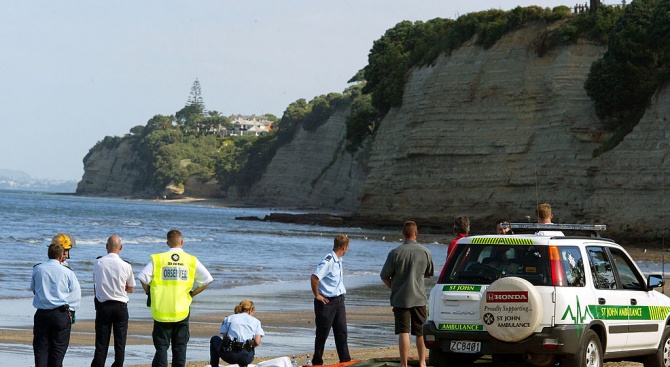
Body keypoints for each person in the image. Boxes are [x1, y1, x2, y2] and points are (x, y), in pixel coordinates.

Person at [137, 229, 213, 367]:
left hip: (161, 309)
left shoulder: (159, 259)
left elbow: (142, 277)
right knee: (180, 347)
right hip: (182, 309)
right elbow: (207, 280)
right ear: (182, 242)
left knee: (161, 347)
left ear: (167, 243)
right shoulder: (190, 260)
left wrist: (149, 293)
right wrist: (193, 293)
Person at [380, 221, 434, 367]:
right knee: (420, 332)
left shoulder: (395, 252)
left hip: (400, 297)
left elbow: (384, 275)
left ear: (403, 234)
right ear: (416, 234)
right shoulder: (425, 252)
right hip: (419, 296)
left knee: (403, 331)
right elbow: (429, 274)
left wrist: (394, 288)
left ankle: (404, 364)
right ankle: (422, 362)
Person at [31, 241, 81, 367]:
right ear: (60, 256)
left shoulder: (38, 269)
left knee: (40, 349)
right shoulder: (67, 272)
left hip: (42, 313)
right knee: (58, 351)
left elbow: (34, 289)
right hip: (60, 313)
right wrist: (72, 311)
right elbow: (75, 293)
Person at [91, 235, 136, 367]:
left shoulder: (98, 262)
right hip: (120, 306)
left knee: (101, 342)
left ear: (106, 247)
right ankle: (118, 364)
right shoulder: (126, 265)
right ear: (120, 247)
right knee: (120, 342)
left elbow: (96, 281)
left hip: (103, 306)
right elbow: (131, 288)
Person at [310, 234, 352, 365]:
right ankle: (317, 361)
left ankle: (345, 359)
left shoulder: (338, 260)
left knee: (342, 332)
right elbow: (314, 278)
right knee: (322, 333)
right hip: (326, 302)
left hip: (339, 300)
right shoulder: (328, 261)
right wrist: (317, 295)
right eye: (347, 248)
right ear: (344, 247)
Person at [210, 300, 264, 367]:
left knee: (214, 339)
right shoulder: (256, 322)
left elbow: (225, 338)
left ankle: (214, 366)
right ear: (250, 310)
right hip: (247, 357)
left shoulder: (228, 318)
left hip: (230, 356)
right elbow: (257, 342)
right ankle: (243, 364)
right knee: (248, 346)